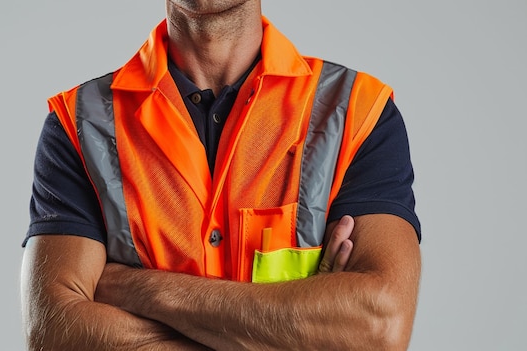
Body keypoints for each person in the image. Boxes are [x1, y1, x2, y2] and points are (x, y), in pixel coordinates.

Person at [21, 1, 422, 350]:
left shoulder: (355, 113)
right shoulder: (80, 124)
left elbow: (379, 326)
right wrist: (299, 334)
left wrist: (138, 289)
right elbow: (54, 333)